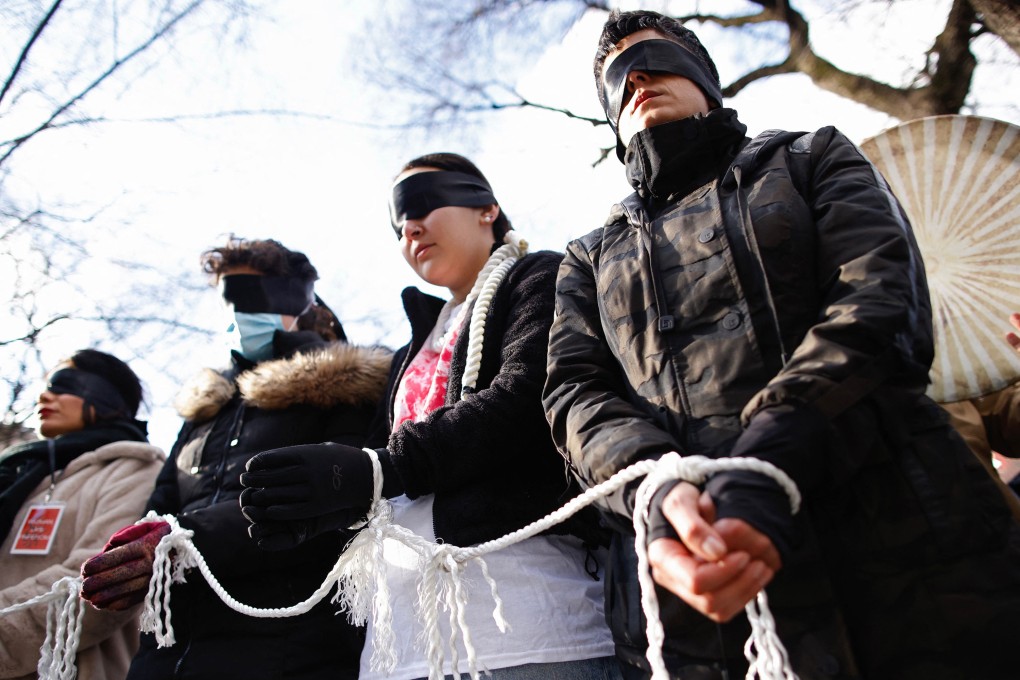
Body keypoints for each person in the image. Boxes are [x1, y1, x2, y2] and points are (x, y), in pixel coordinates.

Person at [542, 9, 1020, 680]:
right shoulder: (588, 260)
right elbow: (574, 396)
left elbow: (878, 297)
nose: (639, 76)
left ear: (706, 78)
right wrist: (658, 491)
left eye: (655, 56)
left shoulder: (813, 156)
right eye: (617, 78)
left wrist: (770, 455)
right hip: (710, 593)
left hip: (909, 545)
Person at [238, 153, 621, 679]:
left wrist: (379, 468)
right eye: (398, 224)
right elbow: (383, 467)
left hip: (526, 624)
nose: (410, 227)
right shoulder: (410, 349)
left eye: (423, 204)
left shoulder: (540, 277)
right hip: (404, 638)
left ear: (487, 208)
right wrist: (332, 502)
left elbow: (526, 399)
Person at [79, 237, 392, 680]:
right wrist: (141, 549)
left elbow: (338, 508)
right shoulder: (204, 410)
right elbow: (163, 501)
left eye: (249, 298)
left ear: (295, 301)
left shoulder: (347, 395)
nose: (237, 316)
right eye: (227, 301)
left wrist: (185, 540)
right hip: (170, 647)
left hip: (287, 644)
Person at [0, 349, 164, 680]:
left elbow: (93, 582)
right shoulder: (22, 474)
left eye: (64, 385)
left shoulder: (136, 469)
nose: (45, 395)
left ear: (106, 395)